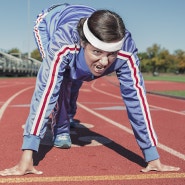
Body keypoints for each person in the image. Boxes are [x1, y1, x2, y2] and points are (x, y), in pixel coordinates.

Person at [0, 3, 180, 176]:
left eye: (111, 54)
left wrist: (152, 155)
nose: (104, 62)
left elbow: (137, 100)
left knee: (78, 76)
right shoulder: (63, 43)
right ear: (83, 43)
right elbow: (46, 91)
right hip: (49, 22)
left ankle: (69, 113)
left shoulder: (126, 51)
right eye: (97, 52)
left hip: (85, 22)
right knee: (60, 79)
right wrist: (28, 153)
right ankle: (61, 127)